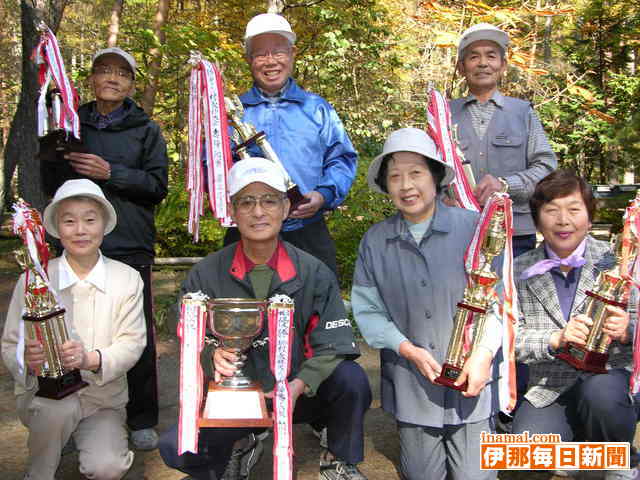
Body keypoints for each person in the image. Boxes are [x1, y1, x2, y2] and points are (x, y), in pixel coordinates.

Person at [159, 157, 371, 480]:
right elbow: (189, 338)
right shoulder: (205, 274)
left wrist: (298, 386)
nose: (258, 212)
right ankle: (240, 443)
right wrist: (211, 354)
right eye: (246, 202)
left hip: (298, 394)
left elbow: (333, 344)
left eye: (269, 200)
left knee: (351, 379)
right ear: (232, 211)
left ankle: (338, 457)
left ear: (286, 208)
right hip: (234, 399)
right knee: (176, 447)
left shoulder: (314, 271)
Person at [352, 127, 502, 480]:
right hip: (413, 385)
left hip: (472, 385)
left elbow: (499, 305)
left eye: (416, 173)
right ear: (386, 185)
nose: (406, 185)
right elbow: (368, 311)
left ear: (436, 177)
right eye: (395, 176)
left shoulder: (473, 229)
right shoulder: (376, 241)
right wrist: (408, 349)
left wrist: (481, 358)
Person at [43, 46, 169, 450]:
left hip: (130, 244)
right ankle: (72, 410)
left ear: (132, 83)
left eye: (122, 73)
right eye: (104, 71)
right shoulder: (69, 123)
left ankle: (142, 417)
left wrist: (111, 173)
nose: (112, 78)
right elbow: (52, 183)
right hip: (76, 245)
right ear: (92, 79)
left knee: (138, 335)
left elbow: (157, 187)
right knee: (70, 329)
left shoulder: (147, 129)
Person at [1, 179, 146, 480]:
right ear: (57, 228)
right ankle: (39, 471)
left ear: (104, 225)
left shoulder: (127, 279)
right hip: (46, 398)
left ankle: (84, 439)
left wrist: (89, 359)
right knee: (58, 411)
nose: (80, 230)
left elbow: (132, 343)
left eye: (90, 220)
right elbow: (10, 343)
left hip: (102, 399)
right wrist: (27, 360)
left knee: (107, 468)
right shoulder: (35, 279)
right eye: (69, 221)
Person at [513, 169, 638, 479]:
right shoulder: (518, 269)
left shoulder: (620, 262)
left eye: (573, 209)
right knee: (526, 453)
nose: (563, 220)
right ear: (538, 219)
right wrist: (555, 338)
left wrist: (628, 331)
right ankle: (597, 456)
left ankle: (616, 459)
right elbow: (510, 337)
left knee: (602, 398)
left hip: (607, 378)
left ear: (589, 214)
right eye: (551, 210)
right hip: (548, 387)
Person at [223, 13, 358, 277]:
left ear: (292, 54)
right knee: (246, 310)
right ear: (249, 59)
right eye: (260, 54)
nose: (270, 61)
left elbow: (341, 159)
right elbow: (214, 167)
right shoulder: (231, 114)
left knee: (316, 308)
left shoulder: (317, 108)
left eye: (278, 52)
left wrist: (323, 195)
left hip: (307, 228)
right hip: (246, 232)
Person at [450, 23, 557, 257]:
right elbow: (428, 171)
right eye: (473, 57)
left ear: (503, 66)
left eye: (491, 56)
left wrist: (506, 184)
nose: (482, 63)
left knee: (512, 293)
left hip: (513, 233)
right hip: (455, 231)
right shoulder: (444, 114)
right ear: (461, 67)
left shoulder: (523, 113)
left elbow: (547, 169)